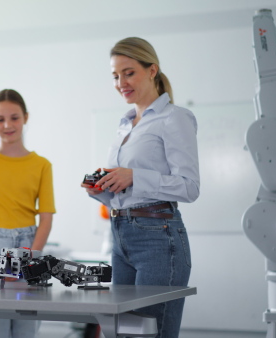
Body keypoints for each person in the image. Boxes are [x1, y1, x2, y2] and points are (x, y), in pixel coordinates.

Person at [82, 37, 200, 337]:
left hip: (159, 239)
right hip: (121, 236)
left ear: (151, 70)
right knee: (122, 331)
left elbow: (189, 187)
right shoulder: (124, 125)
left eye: (129, 72)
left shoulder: (175, 118)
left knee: (152, 332)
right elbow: (126, 194)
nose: (121, 82)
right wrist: (103, 193)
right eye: (115, 76)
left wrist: (135, 175)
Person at [0, 89, 56, 338]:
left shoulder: (42, 165)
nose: (7, 125)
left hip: (30, 248)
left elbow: (46, 218)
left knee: (26, 331)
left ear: (26, 117)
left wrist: (30, 259)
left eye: (14, 118)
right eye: (0, 119)